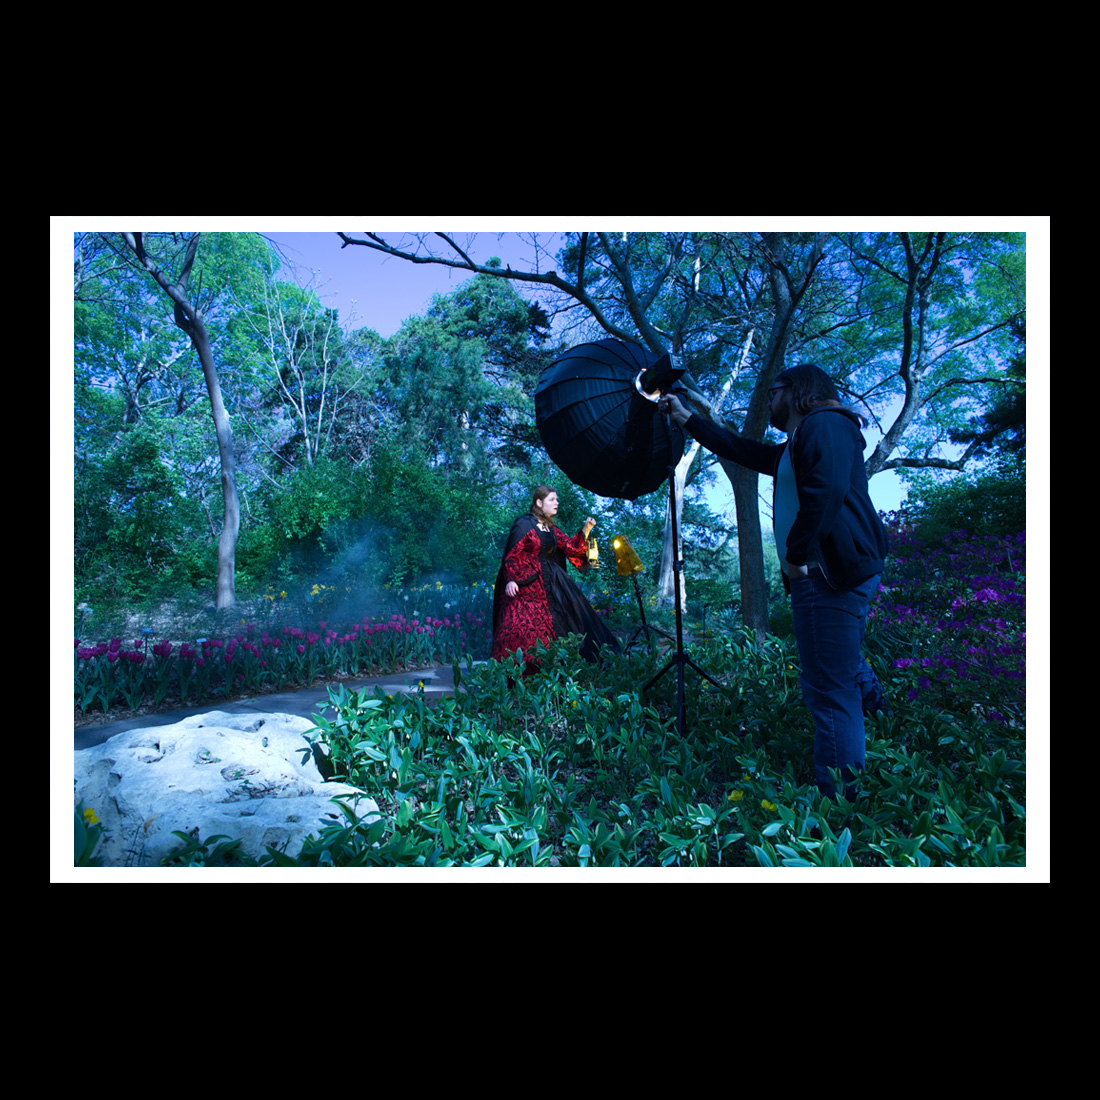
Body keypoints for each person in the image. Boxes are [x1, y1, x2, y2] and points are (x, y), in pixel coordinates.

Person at [660, 364, 888, 800]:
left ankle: (840, 802)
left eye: (772, 392)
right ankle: (875, 705)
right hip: (829, 574)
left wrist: (797, 557)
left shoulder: (826, 423)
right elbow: (743, 450)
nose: (766, 401)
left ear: (797, 391)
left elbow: (827, 490)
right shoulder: (797, 443)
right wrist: (689, 419)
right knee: (837, 662)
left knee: (827, 687)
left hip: (826, 575)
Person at [491, 486, 620, 675]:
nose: (557, 503)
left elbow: (570, 547)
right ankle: (518, 676)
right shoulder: (524, 524)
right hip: (526, 586)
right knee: (522, 628)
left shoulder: (552, 529)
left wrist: (586, 529)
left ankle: (554, 673)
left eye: (557, 499)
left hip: (552, 584)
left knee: (563, 622)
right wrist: (511, 579)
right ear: (539, 502)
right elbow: (512, 555)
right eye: (552, 499)